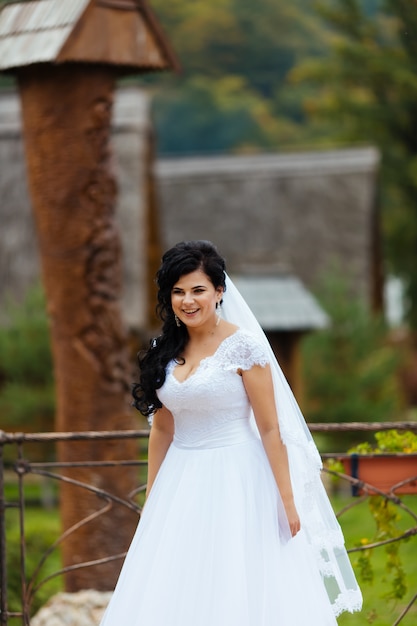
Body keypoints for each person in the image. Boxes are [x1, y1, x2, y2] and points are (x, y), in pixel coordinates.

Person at [100, 240, 362, 626]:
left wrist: (286, 500)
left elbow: (270, 428)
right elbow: (163, 429)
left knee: (237, 578)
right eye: (178, 292)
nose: (187, 301)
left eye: (197, 290)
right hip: (180, 479)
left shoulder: (244, 347)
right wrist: (154, 494)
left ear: (219, 292)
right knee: (178, 581)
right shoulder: (163, 350)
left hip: (239, 477)